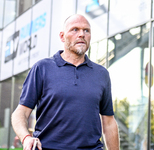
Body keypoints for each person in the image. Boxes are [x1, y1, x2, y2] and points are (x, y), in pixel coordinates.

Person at [11, 14, 120, 150]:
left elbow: (109, 122)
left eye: (86, 30)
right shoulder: (42, 68)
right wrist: (26, 138)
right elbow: (20, 112)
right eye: (75, 29)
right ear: (62, 36)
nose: (81, 34)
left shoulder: (101, 74)